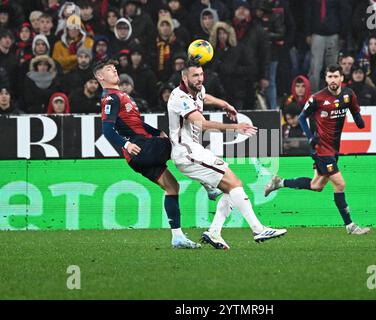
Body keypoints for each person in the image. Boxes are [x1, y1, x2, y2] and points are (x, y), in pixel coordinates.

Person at [167, 59, 287, 250]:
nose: (199, 79)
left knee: (232, 188)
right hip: (187, 153)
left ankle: (214, 232)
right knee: (235, 184)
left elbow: (206, 98)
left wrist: (226, 105)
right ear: (184, 77)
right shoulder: (179, 98)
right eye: (195, 76)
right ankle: (258, 229)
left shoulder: (197, 90)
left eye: (201, 75)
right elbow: (201, 124)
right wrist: (235, 127)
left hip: (195, 152)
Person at [93, 58, 201, 249]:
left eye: (115, 68)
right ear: (100, 76)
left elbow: (136, 124)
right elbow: (107, 130)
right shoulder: (110, 98)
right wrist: (126, 145)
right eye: (109, 69)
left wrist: (156, 132)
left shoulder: (120, 95)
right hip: (140, 147)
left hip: (140, 151)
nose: (115, 71)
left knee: (172, 187)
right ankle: (209, 184)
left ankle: (177, 237)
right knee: (181, 141)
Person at [264, 64, 370, 235]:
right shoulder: (318, 98)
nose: (333, 80)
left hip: (334, 149)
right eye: (330, 77)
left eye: (336, 76)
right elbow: (302, 117)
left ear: (342, 78)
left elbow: (354, 109)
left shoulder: (348, 94)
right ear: (326, 79)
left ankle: (280, 182)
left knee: (316, 185)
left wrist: (359, 121)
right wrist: (311, 138)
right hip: (321, 148)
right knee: (340, 184)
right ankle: (350, 226)